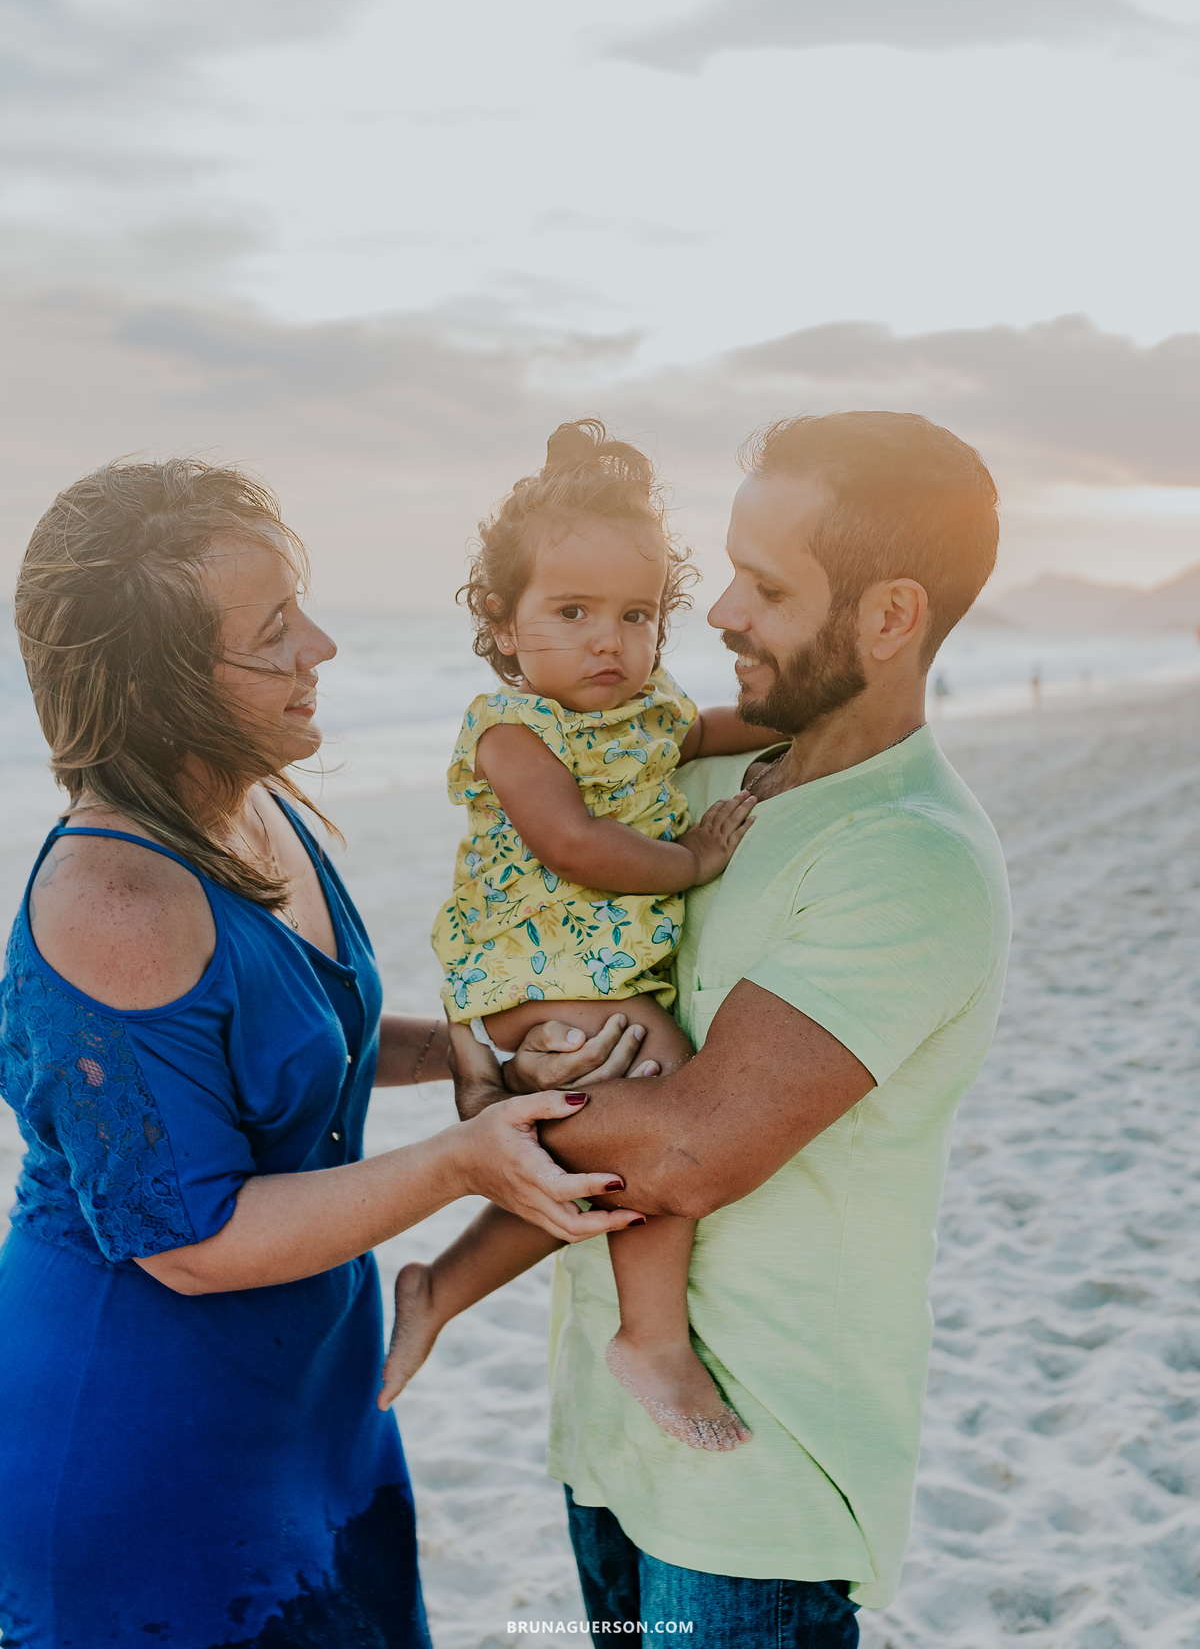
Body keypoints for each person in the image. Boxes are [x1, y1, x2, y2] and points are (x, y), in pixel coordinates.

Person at [0, 459, 643, 1649]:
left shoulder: (259, 805)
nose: (324, 646)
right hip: (142, 1433)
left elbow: (300, 1044)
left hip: (311, 1400)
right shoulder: (114, 897)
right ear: (161, 687)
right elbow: (189, 1243)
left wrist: (481, 1055)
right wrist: (464, 1161)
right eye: (273, 631)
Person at [451, 412, 1012, 1646]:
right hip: (606, 1431)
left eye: (765, 587)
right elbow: (536, 948)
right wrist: (484, 1060)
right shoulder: (693, 789)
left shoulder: (909, 858)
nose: (717, 616)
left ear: (887, 616)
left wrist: (491, 1105)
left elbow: (691, 1150)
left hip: (756, 1475)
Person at [384, 421, 782, 1450]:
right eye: (572, 612)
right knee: (665, 1091)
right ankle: (651, 1335)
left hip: (586, 972)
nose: (611, 639)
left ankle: (439, 1288)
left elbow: (702, 731)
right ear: (507, 630)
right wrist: (696, 858)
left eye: (636, 614)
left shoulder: (646, 711)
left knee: (590, 1160)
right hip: (531, 967)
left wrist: (809, 720)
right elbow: (573, 842)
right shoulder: (514, 730)